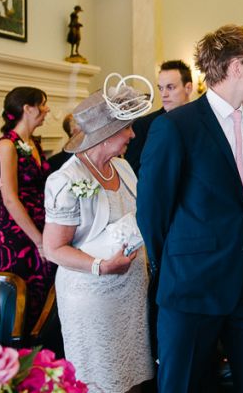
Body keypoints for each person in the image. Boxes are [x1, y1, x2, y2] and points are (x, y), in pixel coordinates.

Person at [137, 24, 243, 392]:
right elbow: (151, 211)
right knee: (182, 385)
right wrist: (176, 264)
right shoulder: (176, 127)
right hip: (191, 286)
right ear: (236, 68)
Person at [43, 76, 155, 392]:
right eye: (127, 127)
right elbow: (53, 249)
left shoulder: (123, 168)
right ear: (106, 134)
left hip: (131, 296)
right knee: (102, 379)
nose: (133, 134)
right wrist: (101, 266)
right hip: (91, 298)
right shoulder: (66, 180)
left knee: (133, 377)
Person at [0, 86, 55, 332]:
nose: (47, 109)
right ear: (28, 109)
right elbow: (9, 199)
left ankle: (41, 349)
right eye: (43, 104)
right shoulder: (6, 145)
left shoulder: (33, 144)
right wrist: (38, 240)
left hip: (42, 226)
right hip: (19, 234)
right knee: (23, 299)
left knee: (43, 293)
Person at [124, 60, 193, 176]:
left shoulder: (202, 121)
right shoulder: (143, 125)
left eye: (170, 87)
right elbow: (133, 174)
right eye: (160, 88)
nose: (164, 94)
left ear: (188, 88)